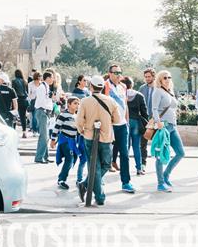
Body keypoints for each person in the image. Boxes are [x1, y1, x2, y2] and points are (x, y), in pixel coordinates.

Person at [76, 75, 121, 206]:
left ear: (91, 87)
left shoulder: (85, 101)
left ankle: (85, 184)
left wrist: (82, 130)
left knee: (94, 166)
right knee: (106, 164)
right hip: (106, 137)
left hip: (89, 136)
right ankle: (100, 197)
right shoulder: (111, 101)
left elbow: (79, 120)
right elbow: (117, 120)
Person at [150, 69, 185, 192]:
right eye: (164, 77)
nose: (167, 79)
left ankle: (166, 175)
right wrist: (158, 122)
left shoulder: (170, 91)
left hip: (173, 126)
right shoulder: (157, 91)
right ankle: (160, 183)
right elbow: (154, 109)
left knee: (180, 153)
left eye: (169, 77)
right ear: (159, 80)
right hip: (163, 126)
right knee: (160, 155)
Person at [104, 64, 135, 193]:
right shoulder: (105, 85)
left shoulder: (123, 86)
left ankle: (126, 182)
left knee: (124, 154)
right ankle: (94, 179)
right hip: (109, 125)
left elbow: (125, 104)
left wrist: (126, 121)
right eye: (115, 72)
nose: (118, 75)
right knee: (104, 154)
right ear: (109, 73)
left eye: (119, 72)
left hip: (122, 125)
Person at [50, 97, 85, 189]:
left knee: (72, 159)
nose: (77, 105)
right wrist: (53, 140)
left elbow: (79, 130)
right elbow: (56, 127)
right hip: (64, 140)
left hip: (73, 142)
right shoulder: (63, 115)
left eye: (78, 103)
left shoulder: (77, 116)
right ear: (69, 104)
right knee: (69, 159)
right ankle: (61, 180)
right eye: (75, 103)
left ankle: (62, 178)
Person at [123, 76, 148, 176]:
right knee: (136, 146)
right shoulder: (139, 95)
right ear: (132, 84)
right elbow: (144, 112)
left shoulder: (121, 94)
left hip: (125, 122)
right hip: (136, 122)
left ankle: (125, 169)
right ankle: (139, 168)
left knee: (126, 147)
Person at [33, 72, 54, 162]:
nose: (53, 79)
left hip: (45, 112)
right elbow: (41, 101)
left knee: (46, 136)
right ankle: (39, 158)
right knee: (44, 136)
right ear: (47, 78)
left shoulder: (46, 87)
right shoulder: (42, 87)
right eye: (52, 77)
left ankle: (45, 157)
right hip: (42, 112)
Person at [138, 68, 156, 169]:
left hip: (156, 119)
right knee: (142, 143)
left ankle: (159, 162)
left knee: (158, 142)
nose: (147, 78)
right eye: (146, 77)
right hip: (144, 120)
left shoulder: (158, 88)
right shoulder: (142, 88)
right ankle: (143, 164)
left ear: (153, 76)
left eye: (149, 76)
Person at [11, 69, 29, 137]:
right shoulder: (25, 81)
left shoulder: (14, 81)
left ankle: (13, 132)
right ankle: (24, 132)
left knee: (14, 115)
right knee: (23, 117)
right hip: (24, 100)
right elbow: (27, 91)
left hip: (16, 100)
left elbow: (13, 91)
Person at [28, 72, 42, 136]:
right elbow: (29, 94)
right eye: (39, 77)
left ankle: (39, 130)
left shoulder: (41, 84)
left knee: (39, 116)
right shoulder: (30, 84)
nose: (39, 79)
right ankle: (35, 130)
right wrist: (32, 98)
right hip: (33, 101)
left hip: (40, 101)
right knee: (34, 116)